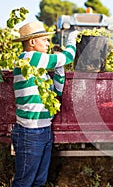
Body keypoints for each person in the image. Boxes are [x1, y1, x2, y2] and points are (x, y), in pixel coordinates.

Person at [11, 21, 78, 187]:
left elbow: (57, 93)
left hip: (44, 130)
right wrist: (71, 39)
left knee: (39, 181)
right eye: (45, 40)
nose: (48, 44)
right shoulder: (28, 58)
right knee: (24, 182)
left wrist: (59, 69)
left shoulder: (40, 72)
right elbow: (68, 56)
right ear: (32, 42)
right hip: (29, 133)